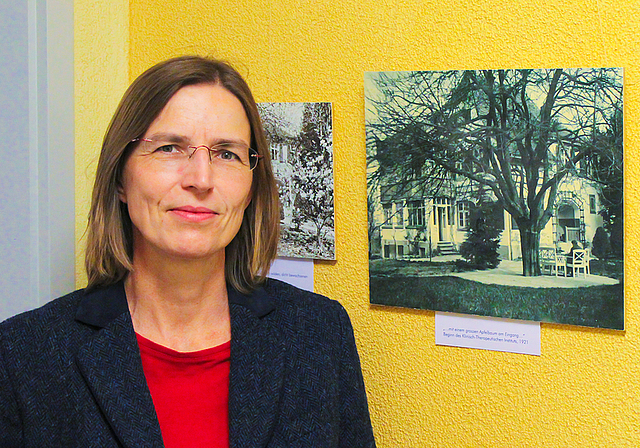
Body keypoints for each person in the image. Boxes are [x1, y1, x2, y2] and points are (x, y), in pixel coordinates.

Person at [0, 56, 376, 447]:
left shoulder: (318, 335)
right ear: (120, 179)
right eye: (169, 148)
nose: (200, 179)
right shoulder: (24, 356)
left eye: (227, 153)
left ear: (250, 190)